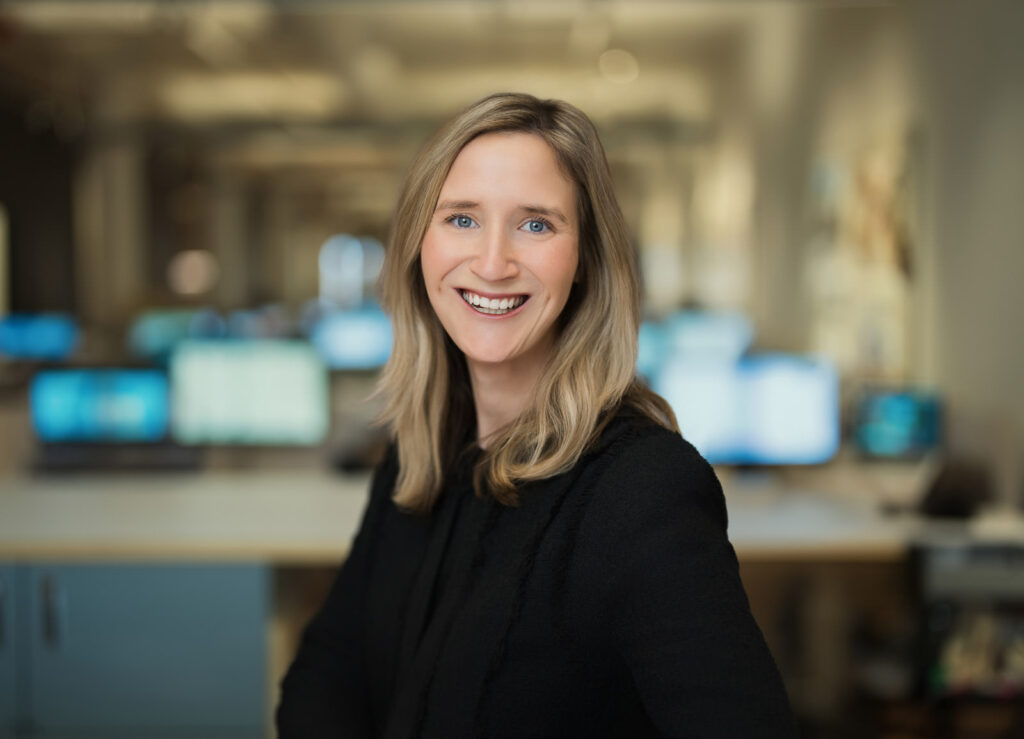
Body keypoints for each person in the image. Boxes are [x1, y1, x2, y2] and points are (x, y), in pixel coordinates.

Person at [277, 92, 797, 738]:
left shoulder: (644, 489)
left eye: (536, 225)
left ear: (585, 261)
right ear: (417, 244)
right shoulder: (421, 455)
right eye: (461, 219)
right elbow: (326, 675)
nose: (492, 264)